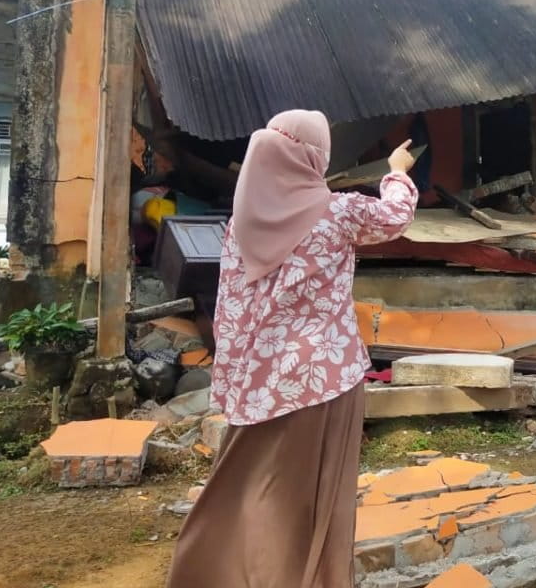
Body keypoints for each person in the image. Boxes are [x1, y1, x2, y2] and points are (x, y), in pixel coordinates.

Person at [166, 110, 418, 588]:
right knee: (313, 498)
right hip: (324, 379)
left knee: (245, 486)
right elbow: (394, 217)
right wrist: (396, 172)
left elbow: (231, 308)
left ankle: (208, 572)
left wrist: (234, 379)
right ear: (313, 159)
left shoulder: (241, 227)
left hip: (259, 384)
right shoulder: (338, 212)